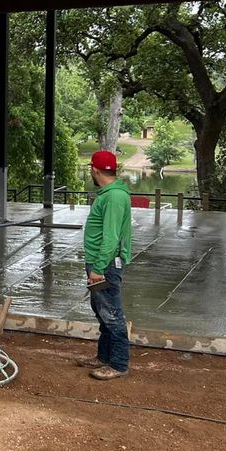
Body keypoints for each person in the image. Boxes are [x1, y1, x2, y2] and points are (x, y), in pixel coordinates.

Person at [82, 150, 133, 379]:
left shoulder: (113, 197)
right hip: (100, 263)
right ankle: (103, 356)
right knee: (102, 311)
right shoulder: (109, 195)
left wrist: (99, 269)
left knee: (111, 313)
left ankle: (119, 363)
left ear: (94, 170)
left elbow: (111, 238)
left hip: (106, 266)